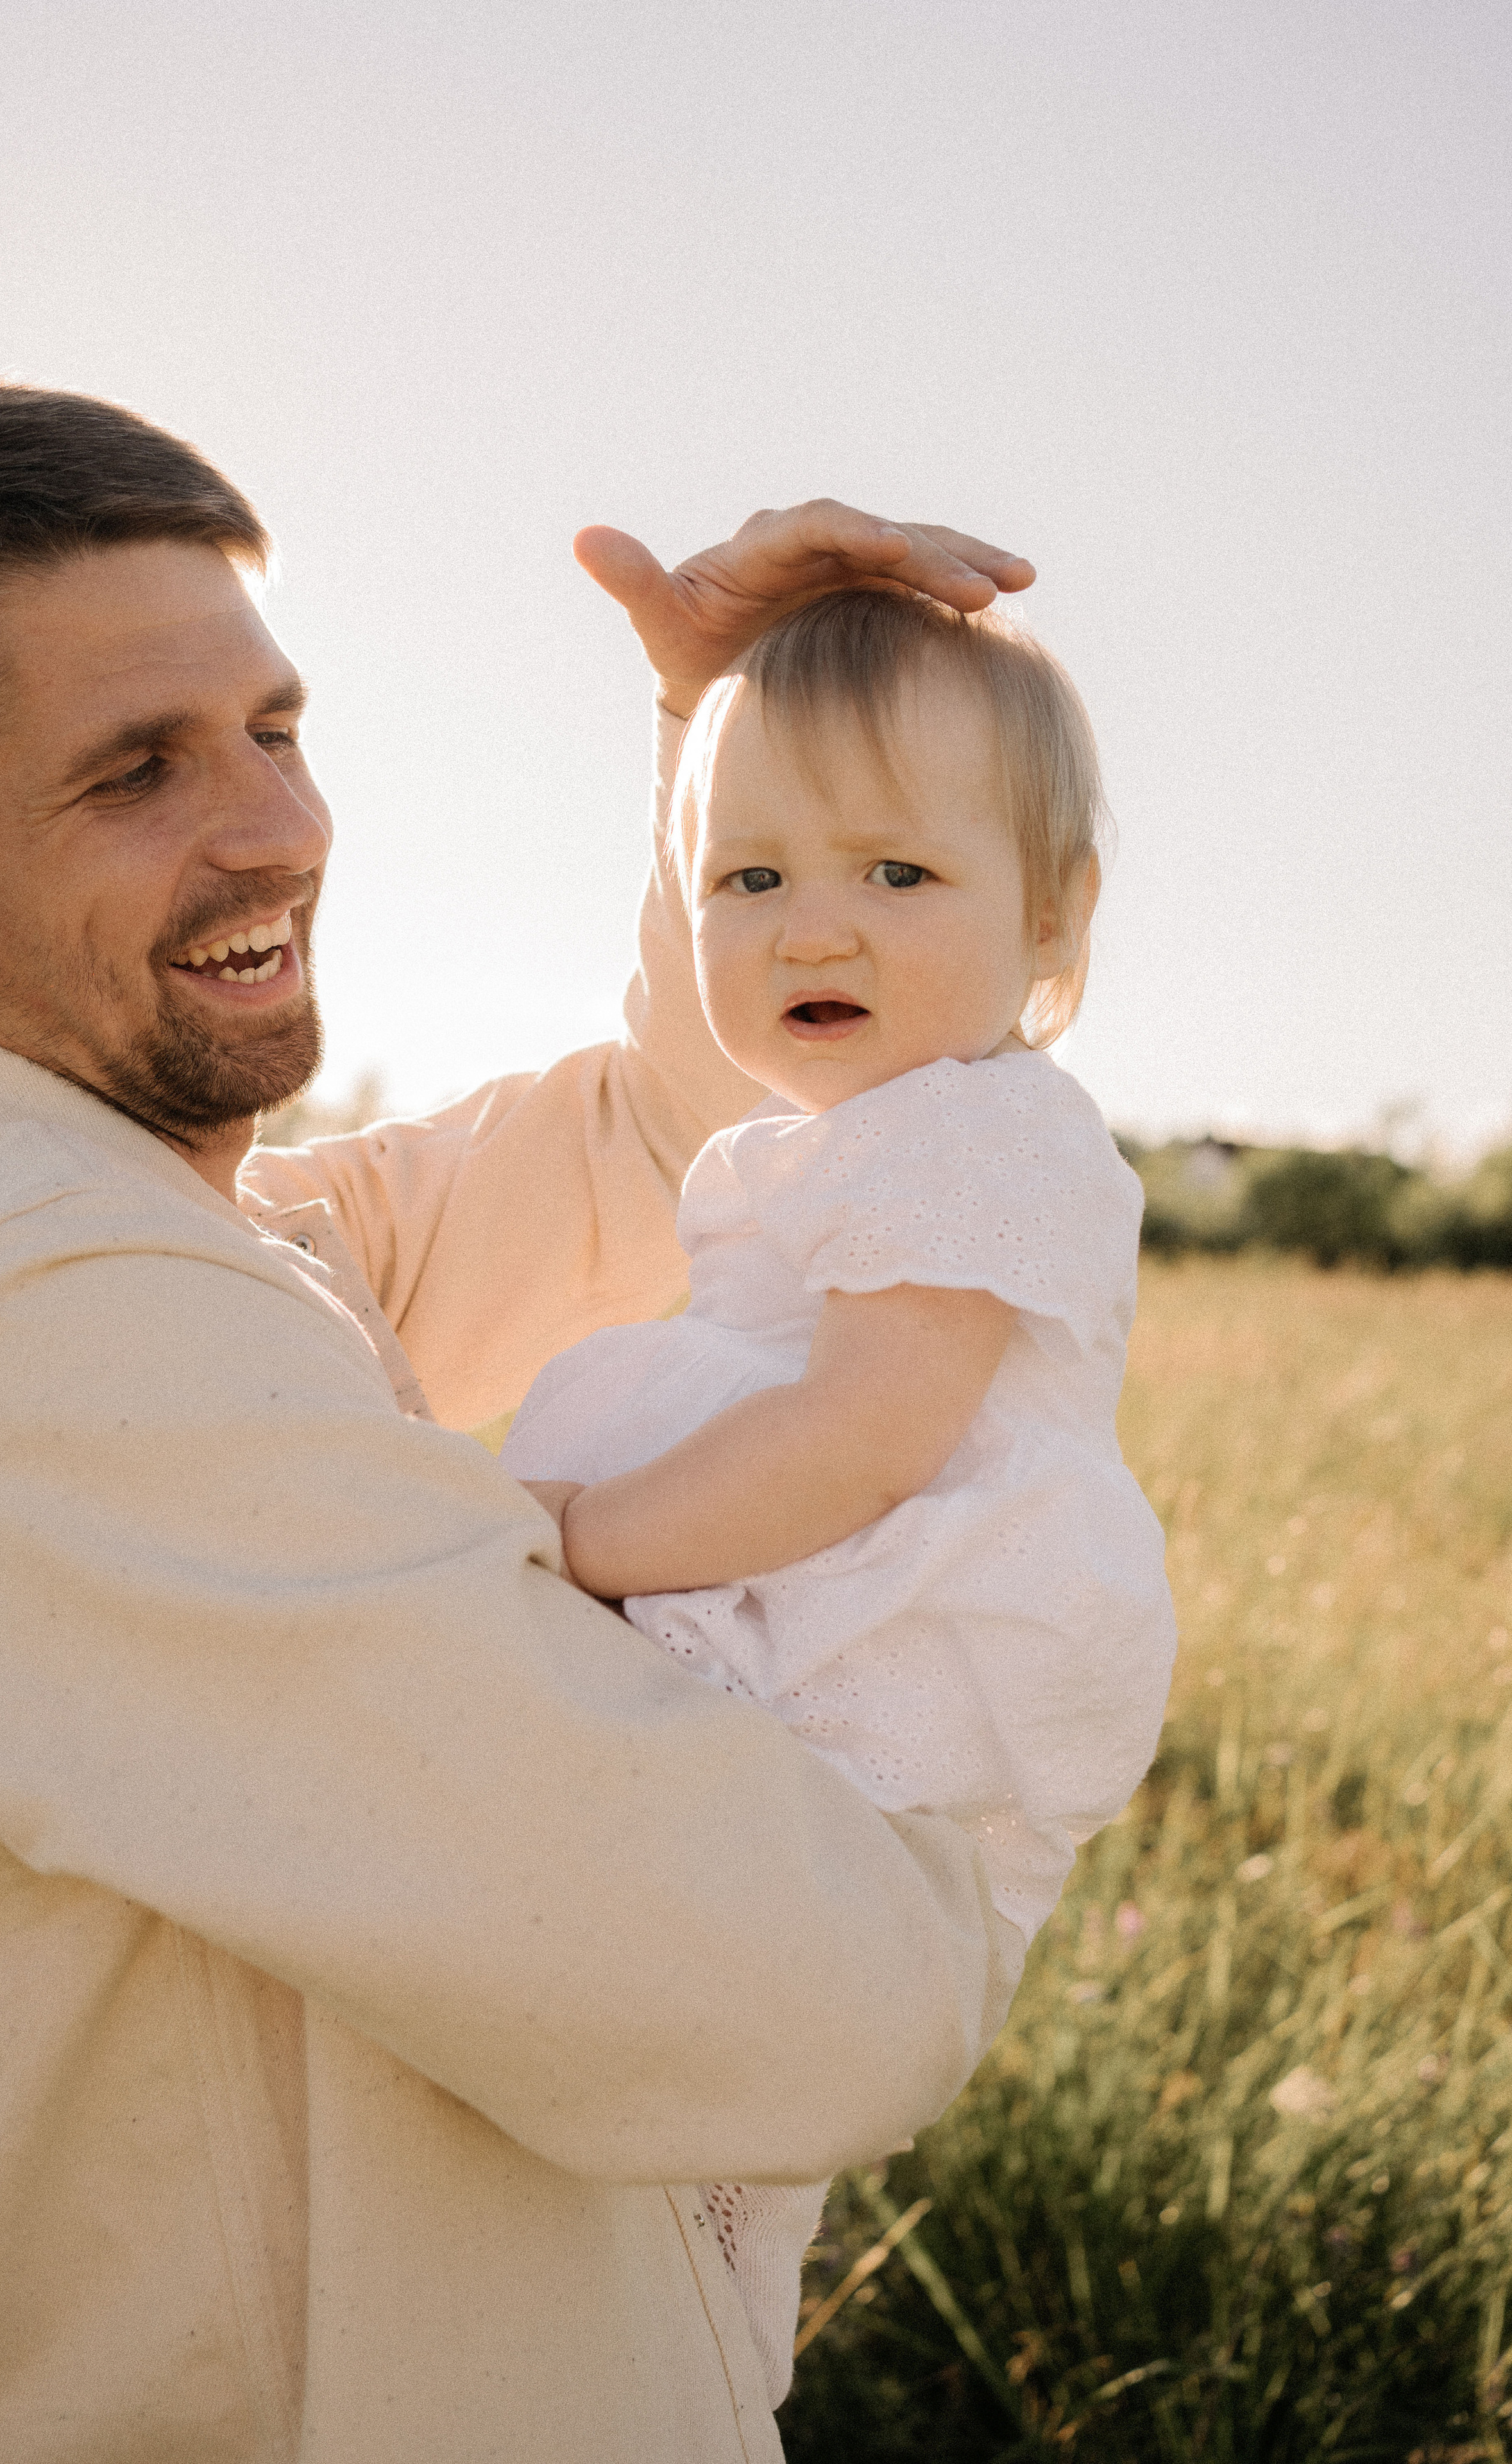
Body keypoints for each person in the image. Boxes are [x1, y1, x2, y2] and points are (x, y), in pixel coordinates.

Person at [0, 367, 1040, 2463]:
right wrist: (995, 1752)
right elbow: (814, 1995)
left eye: (276, 731)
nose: (277, 828)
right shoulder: (50, 1303)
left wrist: (734, 768)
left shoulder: (149, 1219)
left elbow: (672, 1149)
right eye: (136, 770)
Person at [500, 588, 1179, 2404]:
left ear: (1053, 921)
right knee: (691, 2147)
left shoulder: (972, 1128)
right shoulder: (848, 1140)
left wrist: (567, 1552)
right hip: (826, 1631)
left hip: (885, 1650)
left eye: (897, 874)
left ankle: (672, 2374)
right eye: (750, 880)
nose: (816, 922)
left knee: (717, 2096)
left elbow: (863, 1439)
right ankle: (663, 2358)